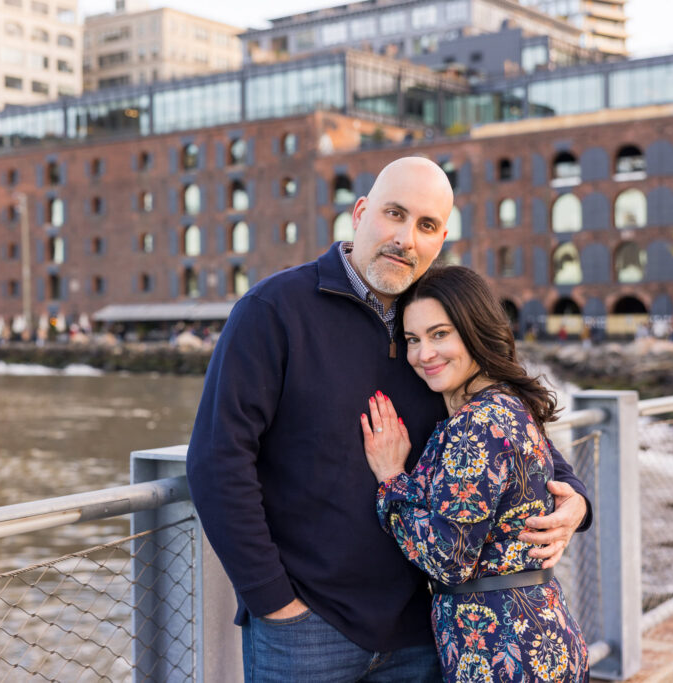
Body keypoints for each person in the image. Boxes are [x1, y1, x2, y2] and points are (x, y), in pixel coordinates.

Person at [186, 156, 591, 681]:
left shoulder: (435, 327)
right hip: (306, 628)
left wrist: (575, 497)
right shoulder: (274, 310)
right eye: (393, 214)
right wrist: (273, 602)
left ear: (440, 240)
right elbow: (218, 461)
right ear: (360, 213)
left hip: (422, 628)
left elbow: (511, 428)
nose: (405, 238)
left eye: (425, 226)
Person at [361, 265, 589, 682]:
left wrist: (392, 478)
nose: (422, 354)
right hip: (533, 637)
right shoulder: (505, 403)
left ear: (474, 329)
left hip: (502, 650)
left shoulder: (477, 424)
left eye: (439, 334)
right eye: (413, 339)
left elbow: (449, 560)